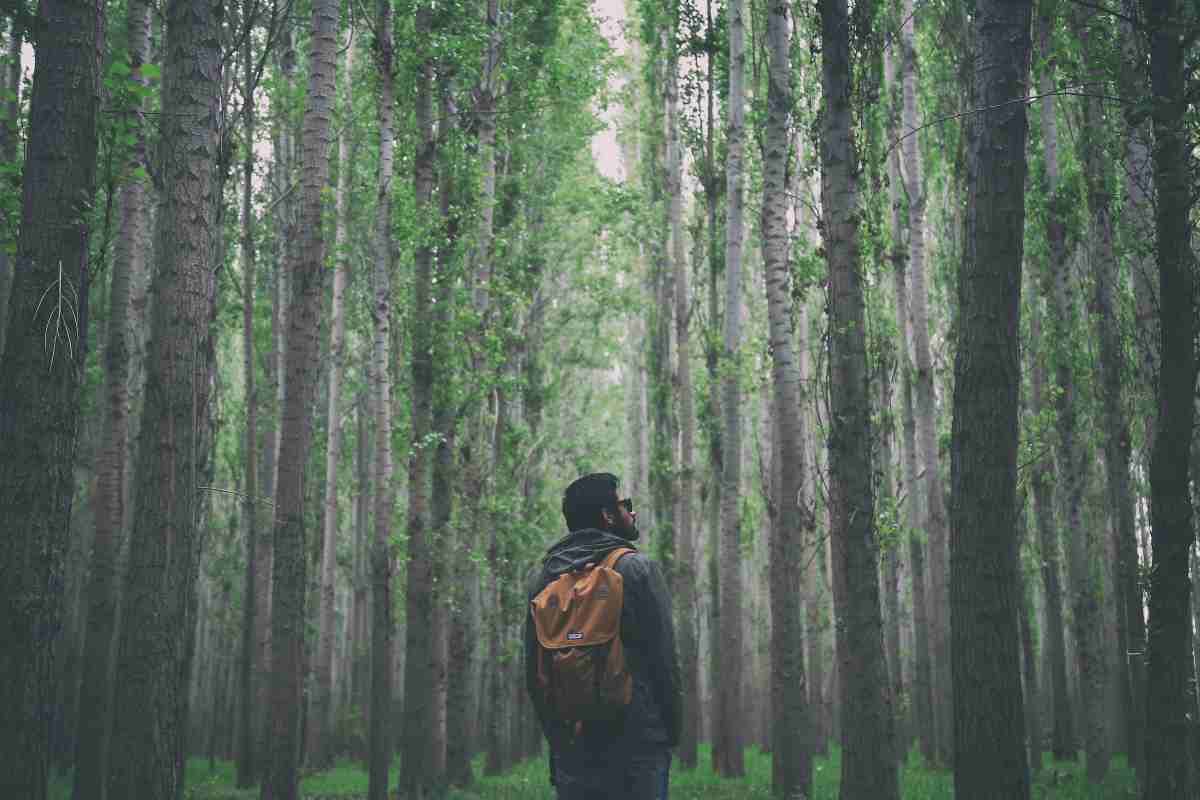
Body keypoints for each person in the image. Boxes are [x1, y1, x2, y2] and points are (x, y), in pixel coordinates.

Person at [524, 472, 681, 800]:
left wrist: (558, 742)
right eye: (627, 506)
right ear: (608, 516)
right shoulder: (637, 570)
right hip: (639, 747)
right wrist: (668, 733)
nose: (632, 513)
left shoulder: (544, 580)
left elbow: (534, 675)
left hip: (574, 747)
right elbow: (664, 662)